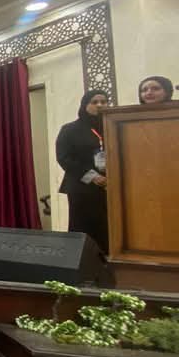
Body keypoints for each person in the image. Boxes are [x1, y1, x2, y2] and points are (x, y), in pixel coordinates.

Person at [57, 90, 111, 253]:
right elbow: (64, 158)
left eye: (104, 101)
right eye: (94, 102)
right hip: (82, 187)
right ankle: (81, 260)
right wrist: (93, 177)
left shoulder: (113, 126)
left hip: (110, 187)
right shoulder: (70, 129)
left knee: (108, 227)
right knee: (83, 227)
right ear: (84, 105)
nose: (100, 105)